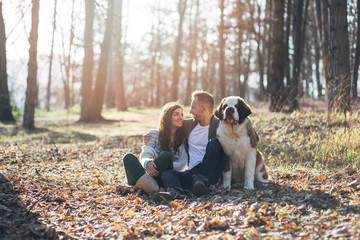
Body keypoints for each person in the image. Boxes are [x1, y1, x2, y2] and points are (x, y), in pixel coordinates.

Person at [147, 90, 225, 201]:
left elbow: (250, 135)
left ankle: (202, 180)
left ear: (204, 109)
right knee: (167, 174)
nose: (190, 111)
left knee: (214, 143)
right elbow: (169, 125)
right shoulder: (188, 125)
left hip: (210, 173)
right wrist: (152, 134)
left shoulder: (220, 126)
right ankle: (177, 194)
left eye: (193, 108)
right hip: (192, 174)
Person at [120, 102, 188, 195]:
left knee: (165, 156)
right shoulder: (154, 134)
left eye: (182, 114)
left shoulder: (183, 139)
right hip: (148, 173)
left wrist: (158, 164)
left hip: (164, 176)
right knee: (128, 157)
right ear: (167, 117)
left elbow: (181, 164)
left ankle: (141, 188)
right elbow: (146, 154)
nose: (181, 118)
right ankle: (157, 190)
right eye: (176, 114)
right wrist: (148, 163)